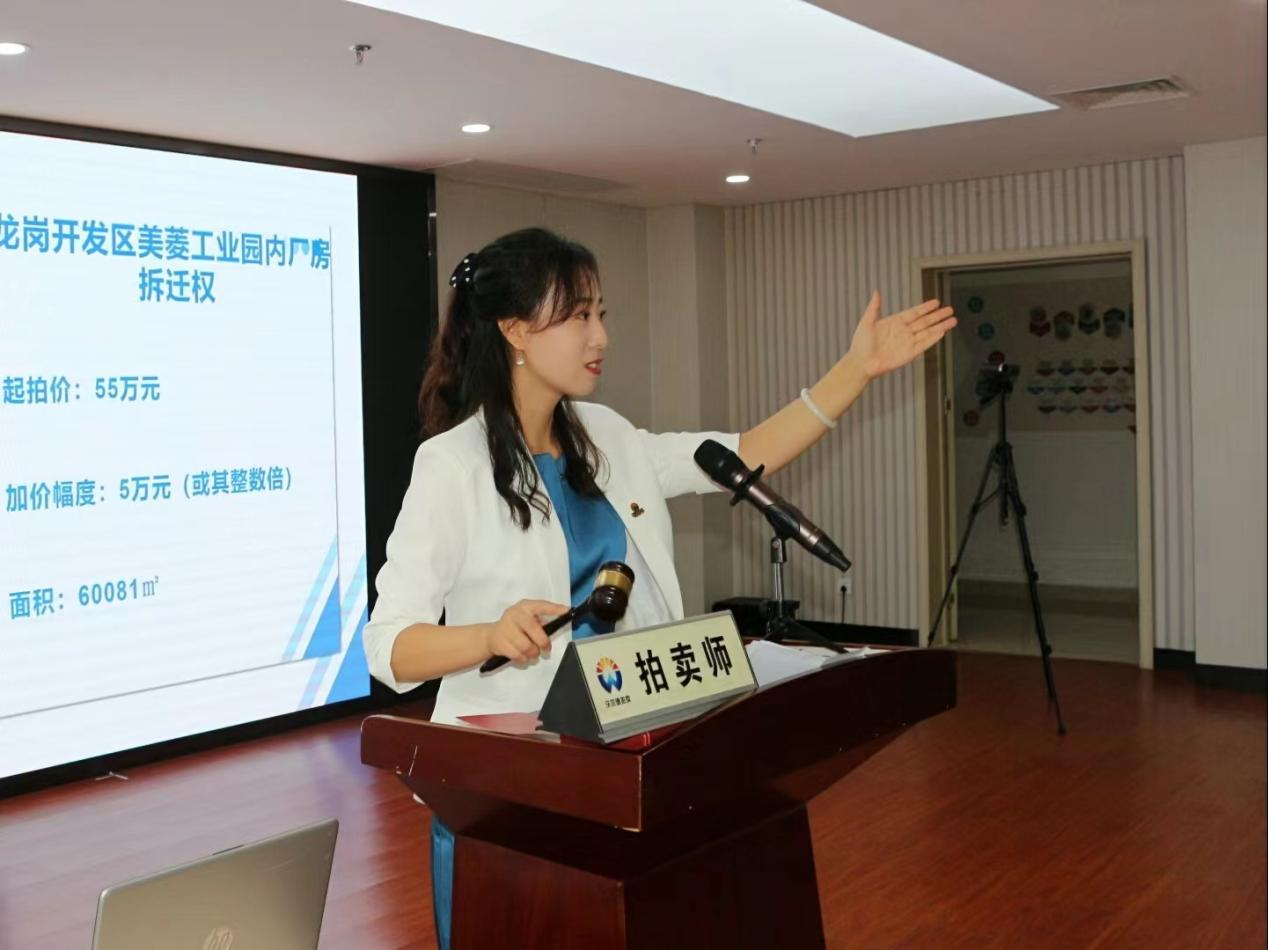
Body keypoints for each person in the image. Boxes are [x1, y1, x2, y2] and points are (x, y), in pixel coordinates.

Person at [362, 227, 955, 948]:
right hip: (511, 792)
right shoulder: (451, 465)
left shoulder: (606, 435)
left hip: (632, 755)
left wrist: (855, 372)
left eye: (601, 313)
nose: (601, 335)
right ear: (514, 330)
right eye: (579, 316)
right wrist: (488, 635)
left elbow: (740, 454)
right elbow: (389, 645)